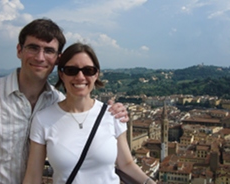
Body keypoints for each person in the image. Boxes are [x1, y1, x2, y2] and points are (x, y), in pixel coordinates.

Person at [0, 19, 129, 184]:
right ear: (19, 50)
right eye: (33, 48)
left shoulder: (59, 103)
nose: (40, 57)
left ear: (57, 59)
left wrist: (116, 112)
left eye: (49, 51)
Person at [23, 43, 155, 184]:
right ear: (61, 74)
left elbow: (126, 164)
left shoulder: (113, 115)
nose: (80, 77)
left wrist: (150, 182)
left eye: (88, 70)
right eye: (71, 70)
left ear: (96, 74)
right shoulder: (43, 119)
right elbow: (33, 176)